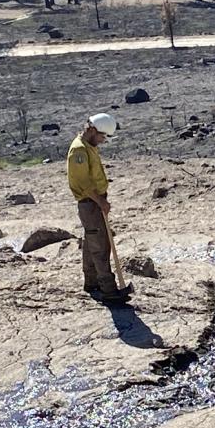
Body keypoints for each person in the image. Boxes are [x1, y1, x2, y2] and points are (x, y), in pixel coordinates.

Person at [66, 112, 129, 306]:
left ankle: (91, 282)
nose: (103, 140)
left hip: (95, 200)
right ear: (92, 130)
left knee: (91, 239)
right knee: (100, 245)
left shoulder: (89, 146)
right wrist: (100, 202)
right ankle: (108, 290)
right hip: (90, 202)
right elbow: (83, 183)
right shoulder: (79, 151)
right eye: (102, 136)